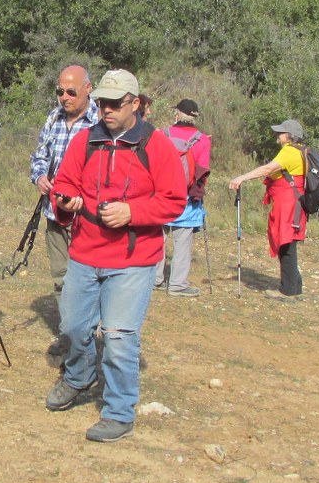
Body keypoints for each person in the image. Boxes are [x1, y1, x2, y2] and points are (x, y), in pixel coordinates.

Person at [45, 69, 187, 442]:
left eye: (113, 103)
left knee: (121, 336)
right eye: (101, 103)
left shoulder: (157, 146)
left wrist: (132, 213)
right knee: (73, 327)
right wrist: (65, 200)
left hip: (134, 259)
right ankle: (79, 375)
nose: (105, 109)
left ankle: (119, 411)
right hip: (85, 252)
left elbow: (174, 200)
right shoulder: (86, 140)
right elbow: (64, 183)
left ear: (136, 104)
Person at [28, 65, 97, 359]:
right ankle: (68, 333)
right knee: (61, 277)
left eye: (71, 91)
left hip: (87, 218)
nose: (64, 97)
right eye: (60, 91)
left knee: (88, 278)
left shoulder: (100, 123)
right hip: (54, 214)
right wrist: (40, 175)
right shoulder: (53, 118)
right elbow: (39, 156)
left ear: (88, 88)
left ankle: (89, 336)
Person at [228, 119, 307, 298]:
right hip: (295, 204)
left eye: (280, 133)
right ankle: (295, 286)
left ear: (289, 136)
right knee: (289, 242)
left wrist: (242, 177)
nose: (277, 136)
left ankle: (288, 290)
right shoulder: (301, 151)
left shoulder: (289, 152)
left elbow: (268, 169)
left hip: (288, 204)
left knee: (286, 242)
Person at [156, 99, 212, 297]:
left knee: (157, 238)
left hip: (161, 195)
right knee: (183, 242)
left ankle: (155, 279)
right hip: (186, 199)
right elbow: (202, 171)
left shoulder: (162, 134)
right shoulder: (203, 139)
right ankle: (178, 285)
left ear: (178, 114)